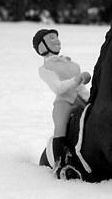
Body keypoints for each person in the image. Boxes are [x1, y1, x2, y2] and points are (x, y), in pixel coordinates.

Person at [33, 28, 91, 178]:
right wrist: (77, 79)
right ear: (41, 47)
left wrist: (91, 99)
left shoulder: (72, 64)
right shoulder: (45, 68)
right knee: (61, 126)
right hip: (63, 102)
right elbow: (58, 87)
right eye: (51, 38)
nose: (56, 40)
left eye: (57, 37)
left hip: (80, 100)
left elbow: (81, 89)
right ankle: (60, 164)